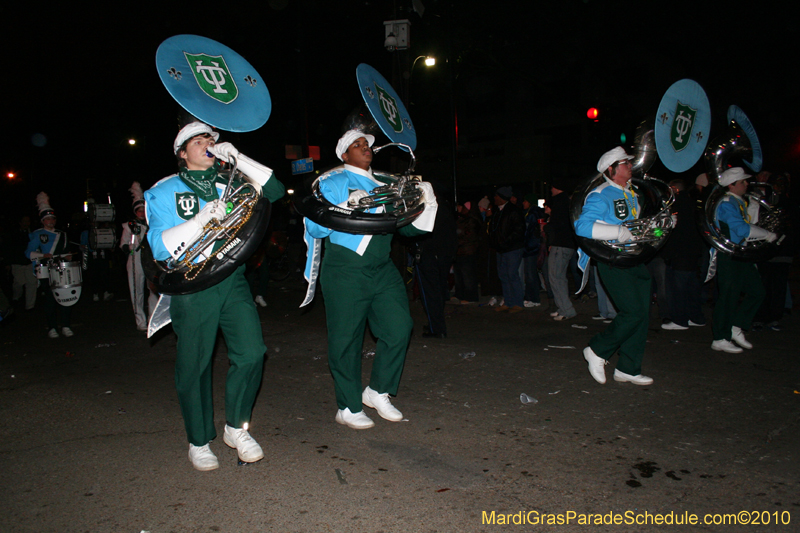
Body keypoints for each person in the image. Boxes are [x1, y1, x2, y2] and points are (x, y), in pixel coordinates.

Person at [144, 121, 285, 471]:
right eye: (198, 140)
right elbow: (159, 247)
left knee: (252, 353)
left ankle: (236, 427)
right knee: (194, 364)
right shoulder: (163, 190)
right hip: (194, 284)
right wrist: (199, 223)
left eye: (211, 138)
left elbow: (277, 190)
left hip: (233, 278)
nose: (208, 143)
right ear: (181, 152)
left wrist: (238, 157)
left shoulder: (232, 183)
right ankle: (198, 439)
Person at [302, 129, 437, 430]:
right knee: (346, 340)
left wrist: (428, 205)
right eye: (357, 145)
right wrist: (346, 206)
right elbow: (315, 228)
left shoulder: (386, 184)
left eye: (367, 145)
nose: (366, 148)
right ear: (343, 155)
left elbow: (408, 231)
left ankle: (377, 391)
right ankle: (347, 406)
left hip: (382, 267)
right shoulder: (332, 182)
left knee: (399, 327)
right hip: (345, 270)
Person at [574, 146, 653, 385]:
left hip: (634, 258)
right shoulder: (601, 194)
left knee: (642, 315)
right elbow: (583, 227)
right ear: (612, 169)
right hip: (613, 260)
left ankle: (628, 368)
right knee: (633, 313)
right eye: (625, 164)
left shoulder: (631, 192)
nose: (631, 166)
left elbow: (635, 227)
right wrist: (619, 232)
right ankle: (597, 349)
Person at [710, 167, 775, 353]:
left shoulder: (739, 202)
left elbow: (747, 227)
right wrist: (767, 234)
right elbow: (742, 230)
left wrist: (755, 209)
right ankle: (719, 337)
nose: (747, 184)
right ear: (732, 185)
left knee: (757, 292)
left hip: (741, 255)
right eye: (742, 182)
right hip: (730, 256)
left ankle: (735, 326)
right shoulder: (727, 203)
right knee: (728, 297)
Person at [25, 193, 75, 338]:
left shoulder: (62, 234)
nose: (50, 221)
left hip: (61, 269)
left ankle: (66, 325)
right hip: (46, 270)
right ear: (43, 220)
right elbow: (28, 253)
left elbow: (65, 251)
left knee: (66, 298)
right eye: (47, 219)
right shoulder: (37, 234)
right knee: (50, 300)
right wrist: (43, 256)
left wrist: (68, 255)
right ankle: (52, 327)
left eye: (52, 218)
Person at [414, 187, 457, 338]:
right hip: (442, 255)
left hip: (430, 254)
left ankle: (436, 327)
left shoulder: (429, 208)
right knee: (437, 291)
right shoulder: (445, 207)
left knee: (430, 292)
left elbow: (420, 231)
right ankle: (436, 324)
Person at [119, 182, 157, 332]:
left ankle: (153, 319)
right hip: (136, 259)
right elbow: (122, 245)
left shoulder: (153, 224)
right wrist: (130, 245)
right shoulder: (129, 226)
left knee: (153, 289)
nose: (141, 213)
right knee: (137, 291)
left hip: (151, 260)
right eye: (139, 211)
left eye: (143, 210)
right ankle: (140, 320)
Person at [487, 186, 526, 313]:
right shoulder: (498, 211)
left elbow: (518, 231)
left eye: (497, 196)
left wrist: (505, 242)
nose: (494, 198)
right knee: (503, 275)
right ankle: (508, 302)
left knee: (512, 275)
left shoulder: (513, 211)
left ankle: (518, 303)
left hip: (512, 248)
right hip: (501, 248)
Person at [545, 179, 577, 321]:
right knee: (559, 277)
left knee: (556, 277)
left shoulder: (559, 202)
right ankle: (562, 307)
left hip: (560, 244)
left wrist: (545, 228)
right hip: (567, 244)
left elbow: (557, 225)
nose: (551, 189)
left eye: (552, 187)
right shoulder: (568, 202)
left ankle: (567, 310)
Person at [521, 193, 544, 307]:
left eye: (525, 201)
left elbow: (530, 233)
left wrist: (528, 246)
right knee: (530, 274)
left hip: (531, 248)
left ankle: (533, 299)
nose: (523, 203)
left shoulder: (532, 214)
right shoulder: (530, 213)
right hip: (530, 247)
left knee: (530, 274)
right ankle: (531, 297)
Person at [10, 216, 37, 311]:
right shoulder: (14, 233)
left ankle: (30, 306)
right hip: (18, 262)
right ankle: (16, 298)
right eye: (24, 221)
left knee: (32, 283)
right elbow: (9, 247)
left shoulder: (33, 233)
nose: (26, 223)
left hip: (30, 262)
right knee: (18, 282)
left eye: (28, 221)